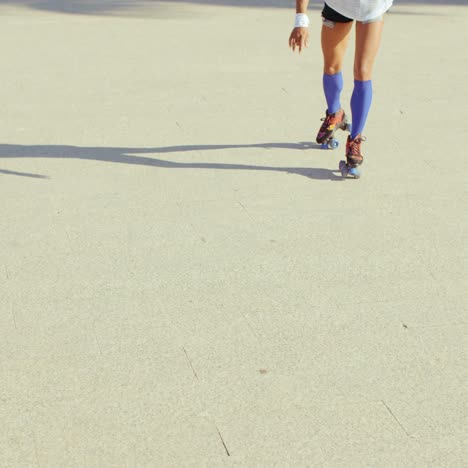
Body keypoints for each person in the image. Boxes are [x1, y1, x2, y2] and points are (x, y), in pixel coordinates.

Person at [289, 0, 393, 176]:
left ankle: (355, 139)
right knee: (331, 66)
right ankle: (335, 113)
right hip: (339, 6)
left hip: (371, 8)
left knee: (363, 71)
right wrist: (301, 19)